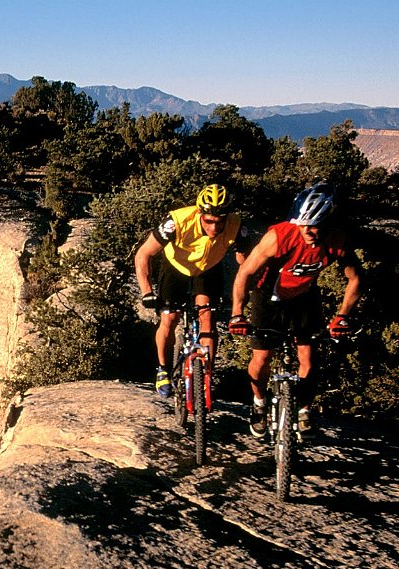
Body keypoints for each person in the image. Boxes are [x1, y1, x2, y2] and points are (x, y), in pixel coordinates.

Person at [228, 182, 364, 436]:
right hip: (268, 296)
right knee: (262, 357)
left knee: (308, 359)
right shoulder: (279, 236)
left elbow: (356, 278)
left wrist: (343, 316)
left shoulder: (337, 239)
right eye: (303, 224)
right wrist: (238, 312)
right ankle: (259, 404)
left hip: (304, 296)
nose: (308, 231)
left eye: (315, 225)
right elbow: (245, 272)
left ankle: (303, 411)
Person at [134, 183, 249, 398]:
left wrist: (249, 284)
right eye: (209, 221)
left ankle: (206, 376)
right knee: (169, 318)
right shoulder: (177, 221)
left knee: (208, 317)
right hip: (176, 267)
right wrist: (146, 291)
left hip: (208, 269)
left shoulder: (236, 224)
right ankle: (162, 369)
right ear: (200, 213)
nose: (214, 228)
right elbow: (143, 254)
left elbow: (245, 260)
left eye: (220, 222)